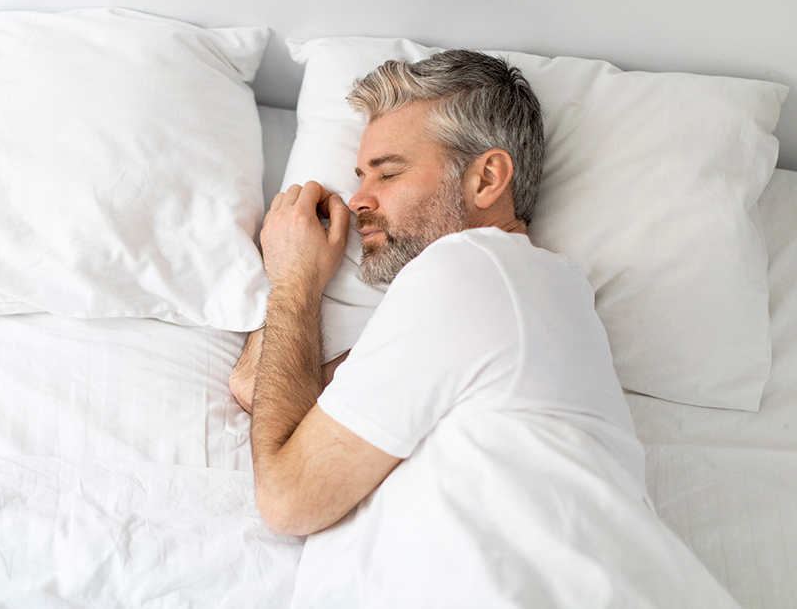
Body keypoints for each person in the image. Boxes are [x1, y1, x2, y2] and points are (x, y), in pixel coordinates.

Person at [229, 51, 736, 607]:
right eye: (359, 176)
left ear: (487, 177)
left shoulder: (470, 268)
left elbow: (286, 496)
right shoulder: (504, 293)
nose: (358, 200)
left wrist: (296, 282)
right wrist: (289, 281)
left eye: (389, 172)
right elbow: (270, 395)